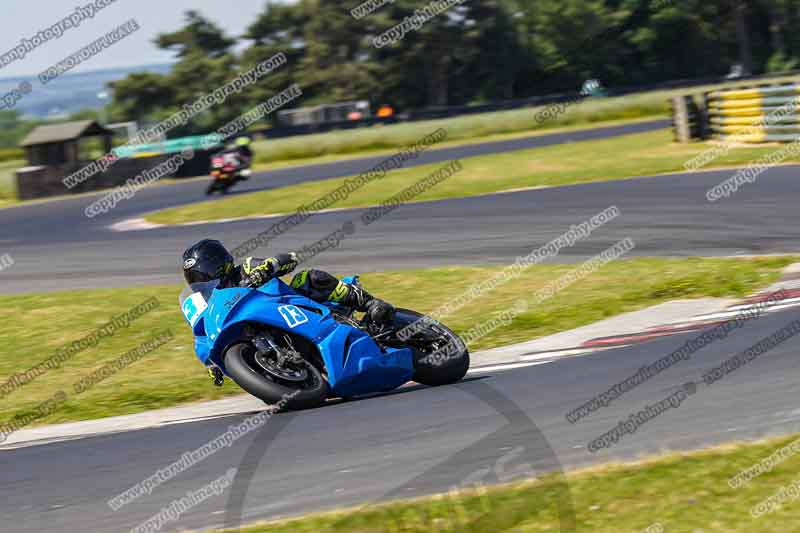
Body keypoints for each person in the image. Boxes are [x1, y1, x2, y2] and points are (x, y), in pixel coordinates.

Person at [182, 238, 396, 330]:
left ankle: (370, 304)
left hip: (296, 308)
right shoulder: (210, 307)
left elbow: (290, 258)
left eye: (203, 274)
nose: (202, 282)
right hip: (265, 329)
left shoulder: (246, 269)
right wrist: (214, 360)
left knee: (310, 278)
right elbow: (205, 335)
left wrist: (265, 269)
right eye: (196, 279)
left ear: (218, 264)